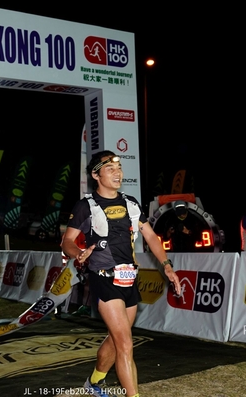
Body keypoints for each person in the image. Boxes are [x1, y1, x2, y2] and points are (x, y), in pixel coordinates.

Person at [61, 150, 181, 397]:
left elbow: (151, 237)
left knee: (117, 340)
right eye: (110, 169)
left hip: (129, 280)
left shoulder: (131, 203)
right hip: (103, 278)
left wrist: (167, 265)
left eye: (119, 168)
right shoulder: (86, 206)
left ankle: (94, 382)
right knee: (125, 343)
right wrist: (79, 253)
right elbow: (67, 241)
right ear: (96, 175)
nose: (118, 173)